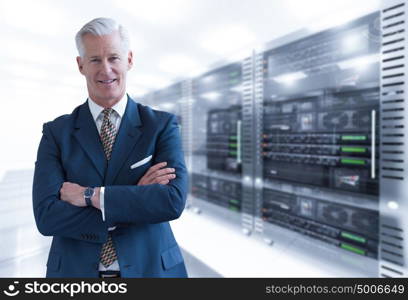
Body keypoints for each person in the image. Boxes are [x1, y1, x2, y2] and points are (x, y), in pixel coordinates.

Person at [32, 17, 188, 278]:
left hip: (152, 271)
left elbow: (171, 201)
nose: (106, 70)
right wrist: (135, 198)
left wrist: (90, 196)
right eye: (95, 60)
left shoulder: (160, 126)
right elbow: (47, 217)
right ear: (81, 65)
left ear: (129, 59)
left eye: (113, 58)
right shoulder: (56, 133)